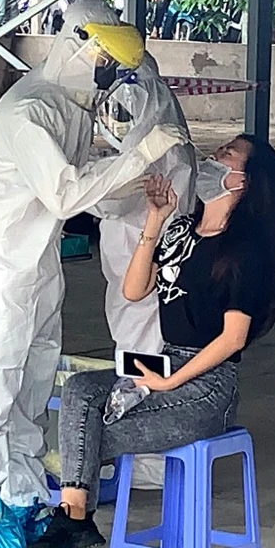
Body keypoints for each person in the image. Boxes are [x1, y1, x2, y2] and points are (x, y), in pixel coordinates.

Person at [0, 0, 189, 548]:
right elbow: (64, 193)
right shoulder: (28, 111)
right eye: (104, 60)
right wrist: (140, 156)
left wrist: (139, 178)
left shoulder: (74, 108)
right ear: (75, 45)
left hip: (37, 267)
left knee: (29, 392)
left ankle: (26, 503)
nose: (108, 73)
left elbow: (90, 192)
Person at [21, 135, 275, 548]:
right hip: (165, 360)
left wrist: (170, 381)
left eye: (227, 155)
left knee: (88, 433)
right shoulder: (182, 230)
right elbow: (134, 290)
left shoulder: (244, 251)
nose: (213, 158)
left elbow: (232, 339)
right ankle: (72, 534)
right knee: (80, 390)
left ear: (244, 181)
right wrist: (156, 218)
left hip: (208, 384)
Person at [93, 52, 198, 488]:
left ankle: (150, 459)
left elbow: (114, 196)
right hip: (132, 259)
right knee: (134, 351)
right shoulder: (155, 124)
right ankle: (142, 451)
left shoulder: (150, 134)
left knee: (145, 357)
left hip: (146, 257)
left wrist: (83, 183)